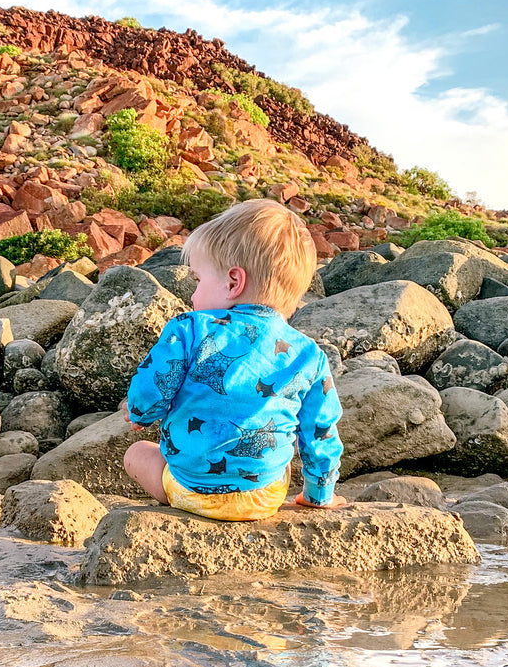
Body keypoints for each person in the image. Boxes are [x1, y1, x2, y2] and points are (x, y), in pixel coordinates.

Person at [121, 198, 344, 520]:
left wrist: (140, 414)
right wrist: (320, 495)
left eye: (198, 280)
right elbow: (320, 431)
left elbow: (153, 385)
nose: (194, 295)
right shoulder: (310, 355)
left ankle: (189, 494)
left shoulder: (189, 328)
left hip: (189, 488)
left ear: (233, 282)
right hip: (263, 495)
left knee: (137, 454)